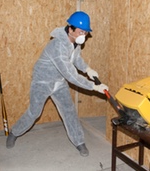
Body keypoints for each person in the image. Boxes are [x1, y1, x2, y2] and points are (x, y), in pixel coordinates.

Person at [6, 11, 109, 157]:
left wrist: (87, 69)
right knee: (34, 112)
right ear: (71, 29)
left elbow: (76, 59)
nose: (83, 36)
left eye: (85, 33)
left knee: (69, 111)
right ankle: (14, 132)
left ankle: (79, 142)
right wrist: (93, 87)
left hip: (59, 82)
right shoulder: (57, 46)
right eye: (81, 32)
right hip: (42, 81)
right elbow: (70, 74)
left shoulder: (74, 43)